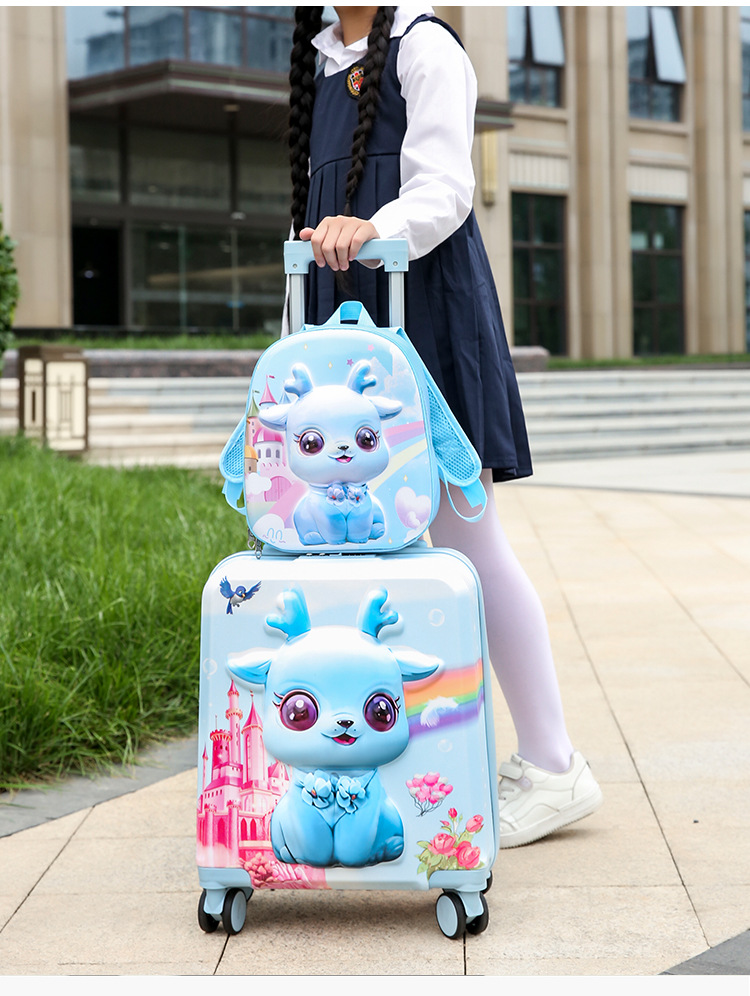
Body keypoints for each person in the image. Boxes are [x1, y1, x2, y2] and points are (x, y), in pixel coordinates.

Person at [286, 4, 602, 847]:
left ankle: (554, 763)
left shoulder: (424, 45)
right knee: (372, 545)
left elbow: (445, 191)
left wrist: (372, 226)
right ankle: (395, 760)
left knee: (469, 538)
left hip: (427, 316)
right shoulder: (323, 64)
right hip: (349, 332)